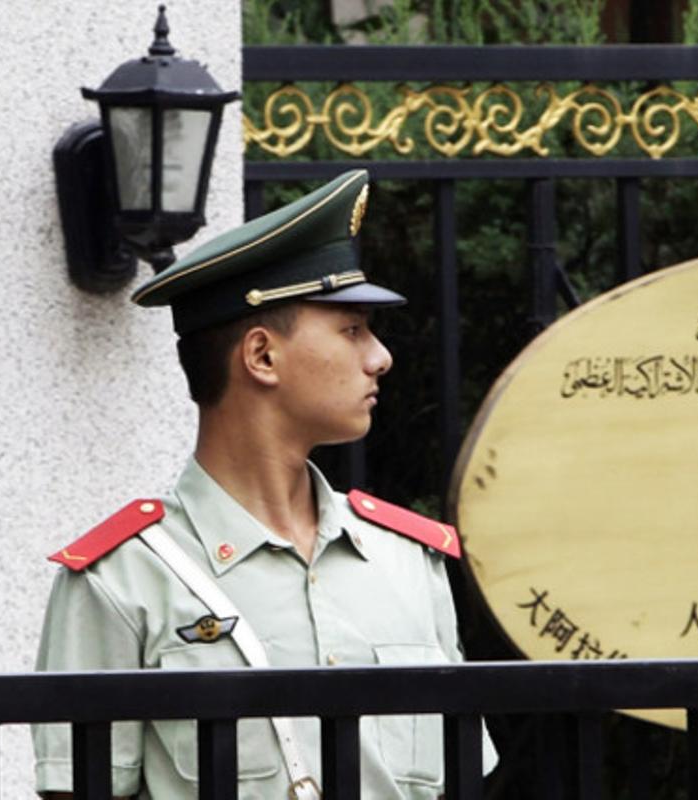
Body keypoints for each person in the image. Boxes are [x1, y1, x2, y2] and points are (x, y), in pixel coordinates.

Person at [33, 169, 496, 799]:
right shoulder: (120, 582)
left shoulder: (409, 561)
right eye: (353, 329)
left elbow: (460, 780)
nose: (379, 357)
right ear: (261, 356)